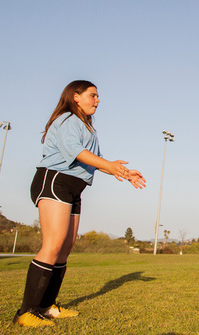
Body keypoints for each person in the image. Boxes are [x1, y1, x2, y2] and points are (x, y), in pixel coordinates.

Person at [13, 80, 146, 328]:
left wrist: (123, 173)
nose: (97, 100)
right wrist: (108, 165)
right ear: (76, 96)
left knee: (65, 247)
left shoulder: (87, 127)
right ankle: (26, 312)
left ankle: (46, 306)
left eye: (98, 96)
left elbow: (91, 161)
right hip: (55, 181)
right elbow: (77, 153)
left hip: (74, 187)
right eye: (93, 95)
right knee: (52, 245)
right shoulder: (67, 120)